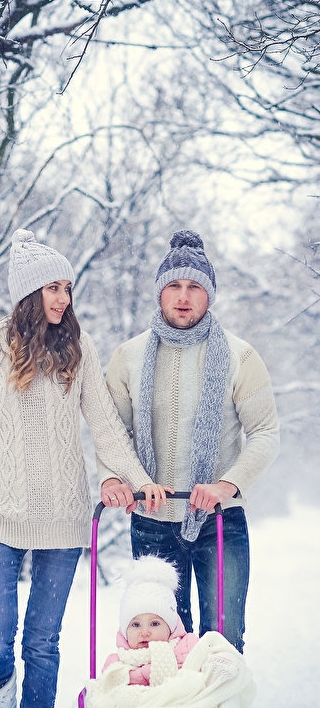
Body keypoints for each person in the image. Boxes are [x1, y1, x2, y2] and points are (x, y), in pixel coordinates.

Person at [0, 228, 154, 708]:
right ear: (28, 293)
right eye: (53, 288)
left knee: (42, 642)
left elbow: (106, 425)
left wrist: (140, 481)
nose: (63, 299)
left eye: (67, 288)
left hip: (62, 515)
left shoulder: (78, 347)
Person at [99, 229, 279, 653]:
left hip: (220, 519)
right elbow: (112, 433)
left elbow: (266, 434)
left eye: (194, 287)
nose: (183, 297)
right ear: (160, 292)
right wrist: (112, 479)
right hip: (152, 520)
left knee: (223, 643)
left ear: (209, 294)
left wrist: (225, 485)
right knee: (159, 647)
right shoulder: (128, 356)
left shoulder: (240, 356)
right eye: (174, 286)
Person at [100, 556, 199, 688]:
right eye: (136, 625)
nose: (145, 632)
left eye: (154, 624)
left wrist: (144, 673)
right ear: (125, 631)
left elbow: (194, 678)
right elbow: (106, 689)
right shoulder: (116, 664)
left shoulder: (187, 648)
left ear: (170, 627)